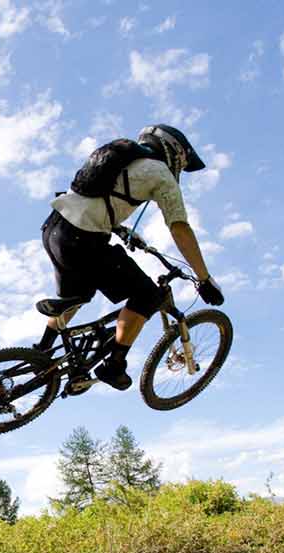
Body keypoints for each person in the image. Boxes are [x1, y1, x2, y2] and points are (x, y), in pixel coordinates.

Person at [35, 123, 224, 390]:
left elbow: (95, 199)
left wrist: (121, 229)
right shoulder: (161, 174)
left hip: (55, 229)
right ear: (176, 153)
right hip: (83, 240)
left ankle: (41, 352)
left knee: (77, 296)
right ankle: (114, 366)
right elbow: (180, 228)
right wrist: (204, 279)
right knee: (148, 295)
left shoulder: (123, 160)